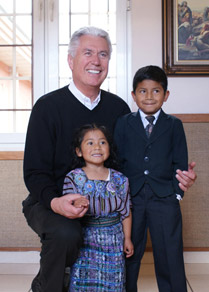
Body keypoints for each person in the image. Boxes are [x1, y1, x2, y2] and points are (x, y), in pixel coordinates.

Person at [22, 26, 196, 292]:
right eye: (88, 53)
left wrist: (176, 178)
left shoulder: (118, 109)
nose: (96, 61)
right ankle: (48, 285)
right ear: (71, 60)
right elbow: (34, 172)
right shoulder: (47, 107)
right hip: (51, 199)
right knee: (66, 233)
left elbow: (130, 164)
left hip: (103, 202)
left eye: (103, 54)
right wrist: (55, 202)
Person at [114, 65, 189, 292]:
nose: (149, 96)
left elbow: (180, 162)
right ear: (133, 95)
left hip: (164, 198)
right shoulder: (123, 123)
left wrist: (177, 193)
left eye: (156, 91)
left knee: (170, 253)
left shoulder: (174, 125)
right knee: (129, 251)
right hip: (131, 199)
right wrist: (118, 196)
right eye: (142, 91)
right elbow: (116, 160)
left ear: (166, 95)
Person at [62, 123, 133, 291]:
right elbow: (67, 204)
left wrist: (127, 238)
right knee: (84, 280)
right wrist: (76, 203)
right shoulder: (73, 177)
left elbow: (126, 211)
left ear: (109, 148)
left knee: (113, 281)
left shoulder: (120, 179)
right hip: (86, 238)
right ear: (78, 151)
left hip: (114, 238)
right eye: (90, 143)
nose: (97, 147)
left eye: (102, 142)